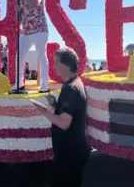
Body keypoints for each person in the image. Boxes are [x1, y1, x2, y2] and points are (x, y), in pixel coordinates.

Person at [32, 47, 91, 187]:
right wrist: (55, 104)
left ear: (66, 65)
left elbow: (64, 123)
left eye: (56, 63)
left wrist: (43, 110)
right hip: (75, 151)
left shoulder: (70, 88)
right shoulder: (76, 82)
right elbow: (70, 113)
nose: (54, 66)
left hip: (69, 154)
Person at [12, 0, 50, 93]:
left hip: (39, 29)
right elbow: (18, 21)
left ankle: (44, 85)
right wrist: (17, 11)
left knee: (41, 55)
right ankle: (19, 83)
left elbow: (34, 4)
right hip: (26, 31)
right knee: (19, 56)